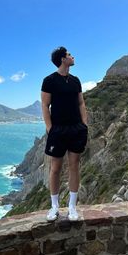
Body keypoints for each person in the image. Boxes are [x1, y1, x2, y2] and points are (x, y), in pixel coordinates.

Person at [41, 46, 88, 221]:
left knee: (74, 165)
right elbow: (45, 105)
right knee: (55, 168)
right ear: (62, 59)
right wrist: (50, 128)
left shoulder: (76, 81)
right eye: (69, 55)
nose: (72, 56)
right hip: (58, 130)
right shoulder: (49, 81)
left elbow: (81, 103)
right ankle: (54, 207)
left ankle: (72, 207)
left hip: (76, 129)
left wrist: (84, 124)